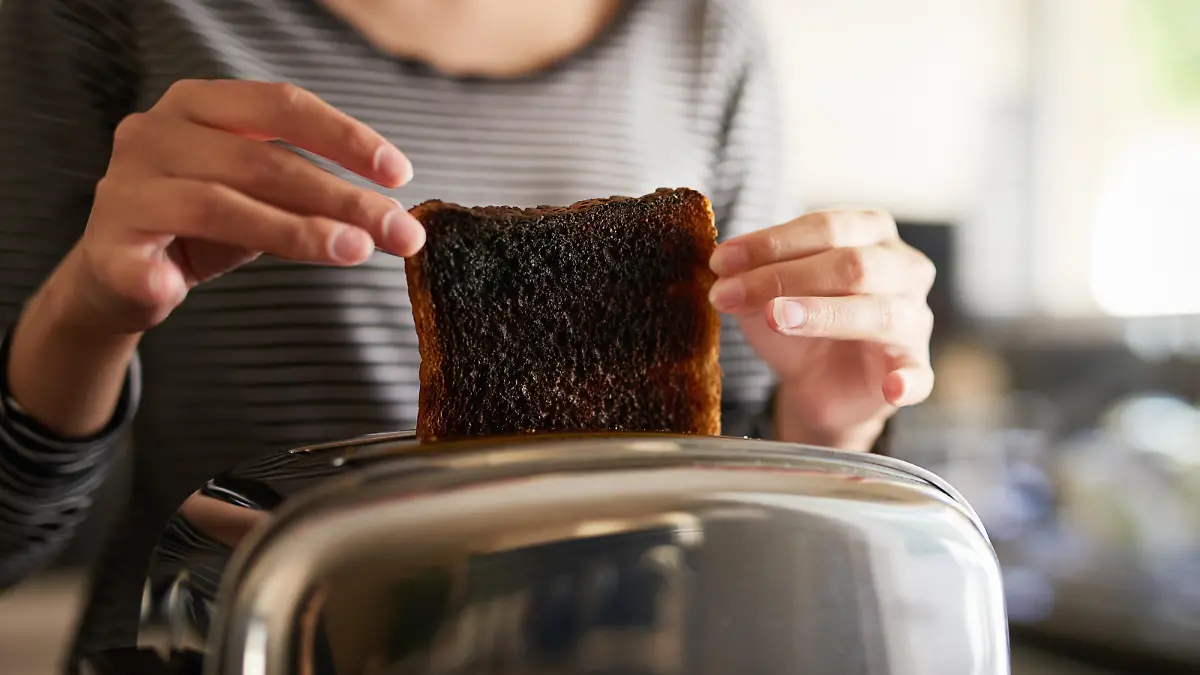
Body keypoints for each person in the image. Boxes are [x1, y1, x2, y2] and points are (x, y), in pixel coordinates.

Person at [0, 0, 935, 663]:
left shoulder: (701, 31)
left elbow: (726, 538)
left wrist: (828, 428)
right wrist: (88, 311)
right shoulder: (107, 11)